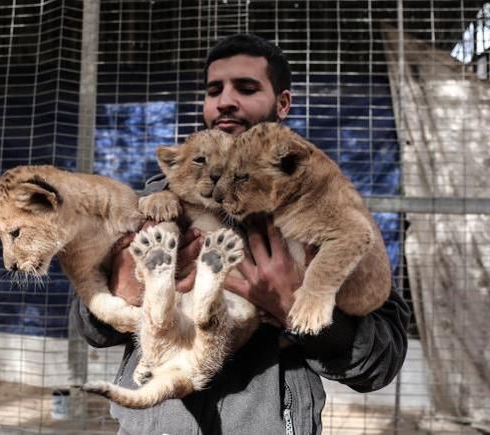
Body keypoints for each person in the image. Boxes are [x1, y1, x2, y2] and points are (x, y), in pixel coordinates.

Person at [71, 33, 409, 435]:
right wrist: (128, 284)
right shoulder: (155, 200)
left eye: (246, 88)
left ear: (283, 103)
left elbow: (381, 360)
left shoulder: (322, 199)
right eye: (214, 90)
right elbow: (88, 326)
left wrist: (295, 309)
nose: (225, 100)